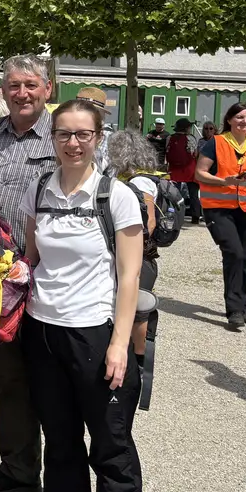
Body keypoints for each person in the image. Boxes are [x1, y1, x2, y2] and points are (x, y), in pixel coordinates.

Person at [22, 99, 145, 492]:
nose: (72, 143)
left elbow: (129, 277)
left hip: (95, 331)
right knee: (60, 442)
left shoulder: (117, 196)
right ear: (51, 137)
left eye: (82, 134)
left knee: (111, 450)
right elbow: (33, 257)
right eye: (63, 134)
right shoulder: (39, 188)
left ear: (98, 138)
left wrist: (119, 345)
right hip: (44, 330)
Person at [0, 55, 55, 492]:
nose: (21, 93)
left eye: (30, 85)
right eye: (13, 86)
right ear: (2, 92)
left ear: (47, 88)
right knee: (9, 377)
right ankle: (20, 469)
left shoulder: (65, 135)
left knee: (53, 379)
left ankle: (64, 480)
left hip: (50, 276)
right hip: (1, 279)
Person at [196, 102, 246, 332]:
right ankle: (235, 310)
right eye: (239, 117)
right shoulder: (216, 143)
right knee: (234, 252)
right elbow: (199, 173)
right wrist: (224, 181)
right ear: (229, 120)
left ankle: (242, 304)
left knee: (243, 256)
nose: (244, 122)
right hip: (219, 208)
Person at [107, 129, 165, 364]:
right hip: (139, 253)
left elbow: (148, 220)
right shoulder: (144, 177)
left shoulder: (139, 181)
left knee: (138, 308)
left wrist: (130, 245)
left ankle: (139, 361)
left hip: (138, 254)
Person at [165, 118, 201, 225]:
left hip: (174, 170)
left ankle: (175, 214)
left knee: (175, 194)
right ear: (187, 128)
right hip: (190, 170)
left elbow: (167, 153)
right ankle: (195, 216)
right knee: (193, 194)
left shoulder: (169, 138)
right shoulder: (191, 138)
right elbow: (195, 154)